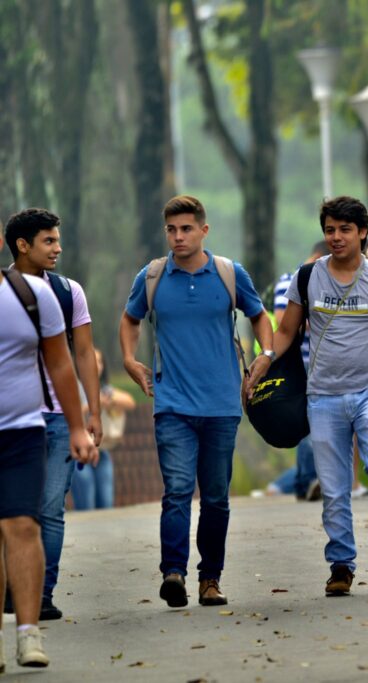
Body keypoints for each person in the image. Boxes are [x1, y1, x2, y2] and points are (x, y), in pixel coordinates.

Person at [247, 196, 368, 596]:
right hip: (323, 396)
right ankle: (341, 564)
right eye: (330, 230)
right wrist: (265, 359)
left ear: (363, 232)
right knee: (333, 486)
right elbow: (287, 330)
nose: (336, 237)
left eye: (345, 229)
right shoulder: (307, 277)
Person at [120, 195, 272, 608]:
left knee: (217, 497)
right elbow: (130, 319)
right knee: (177, 490)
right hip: (172, 404)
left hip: (223, 404)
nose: (178, 236)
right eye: (171, 229)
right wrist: (129, 360)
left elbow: (258, 314)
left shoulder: (228, 273)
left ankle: (210, 578)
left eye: (186, 228)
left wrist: (266, 354)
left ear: (204, 230)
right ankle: (174, 573)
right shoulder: (152, 276)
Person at [0, 226, 98, 671]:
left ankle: (30, 626)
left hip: (27, 428)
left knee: (31, 521)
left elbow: (65, 360)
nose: (59, 247)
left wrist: (81, 424)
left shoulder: (35, 295)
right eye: (49, 240)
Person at [266, 240, 331, 502]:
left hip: (322, 363)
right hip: (300, 363)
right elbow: (284, 323)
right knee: (309, 423)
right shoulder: (290, 280)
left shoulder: (323, 281)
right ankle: (306, 480)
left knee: (316, 423)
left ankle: (308, 479)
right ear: (317, 256)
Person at [71, 349, 137, 511]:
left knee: (106, 504)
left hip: (102, 451)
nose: (96, 366)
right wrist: (92, 407)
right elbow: (69, 414)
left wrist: (109, 400)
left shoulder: (104, 389)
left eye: (100, 362)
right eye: (92, 360)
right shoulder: (73, 387)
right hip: (80, 454)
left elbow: (130, 402)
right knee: (86, 505)